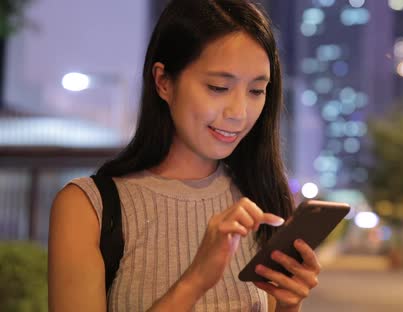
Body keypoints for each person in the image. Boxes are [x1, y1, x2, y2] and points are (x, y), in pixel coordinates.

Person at [48, 0, 321, 311]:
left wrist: (289, 305)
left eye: (256, 91)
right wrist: (195, 281)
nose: (239, 113)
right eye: (219, 87)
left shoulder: (260, 201)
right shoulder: (88, 207)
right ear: (163, 81)